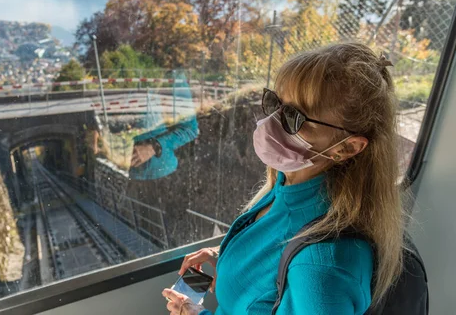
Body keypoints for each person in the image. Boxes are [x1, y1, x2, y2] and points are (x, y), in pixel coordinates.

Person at [162, 43, 404, 314]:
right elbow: (277, 260)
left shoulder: (322, 269)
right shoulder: (290, 185)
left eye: (295, 117)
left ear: (346, 147)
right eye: (276, 103)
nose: (271, 121)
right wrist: (224, 257)